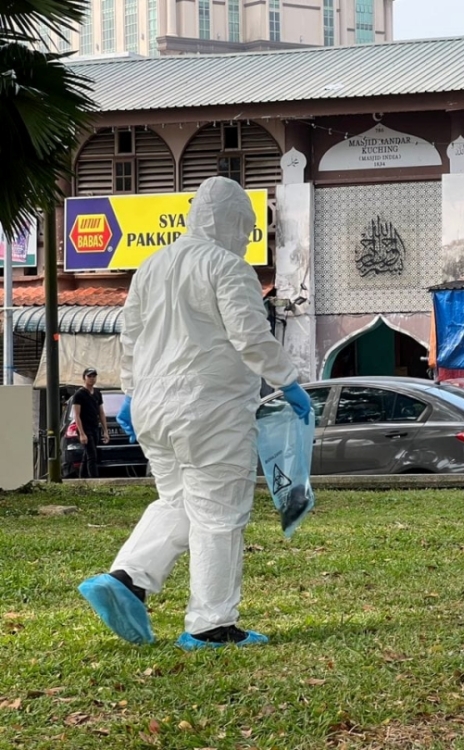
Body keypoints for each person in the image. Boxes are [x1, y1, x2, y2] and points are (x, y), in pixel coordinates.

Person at [78, 176, 313, 650]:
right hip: (211, 408)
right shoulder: (228, 267)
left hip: (152, 408)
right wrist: (288, 381)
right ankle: (212, 624)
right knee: (220, 514)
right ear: (229, 221)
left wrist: (129, 395)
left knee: (180, 501)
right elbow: (249, 336)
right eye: (246, 228)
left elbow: (132, 339)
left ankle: (126, 579)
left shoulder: (150, 266)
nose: (246, 238)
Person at [71, 368, 110, 478]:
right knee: (92, 456)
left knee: (87, 455)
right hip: (84, 428)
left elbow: (101, 412)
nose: (92, 379)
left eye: (94, 376)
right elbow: (76, 415)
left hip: (94, 427)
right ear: (84, 378)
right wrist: (82, 433)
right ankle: (95, 480)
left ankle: (81, 479)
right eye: (89, 376)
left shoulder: (97, 393)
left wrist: (105, 431)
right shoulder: (79, 394)